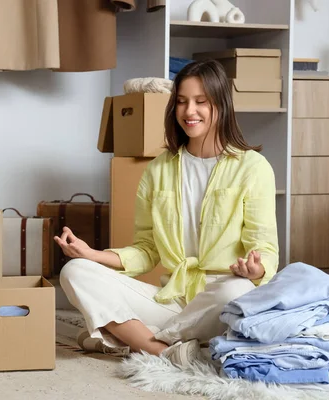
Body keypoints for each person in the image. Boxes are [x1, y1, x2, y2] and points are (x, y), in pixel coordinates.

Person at [55, 58, 279, 367]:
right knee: (75, 272)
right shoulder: (158, 169)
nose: (190, 112)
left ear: (221, 105)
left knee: (236, 291)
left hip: (218, 299)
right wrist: (91, 254)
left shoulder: (253, 168)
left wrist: (256, 270)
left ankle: (132, 340)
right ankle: (164, 350)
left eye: (201, 102)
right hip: (170, 298)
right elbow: (146, 251)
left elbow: (265, 248)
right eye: (182, 102)